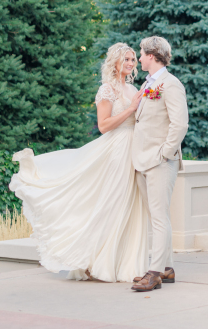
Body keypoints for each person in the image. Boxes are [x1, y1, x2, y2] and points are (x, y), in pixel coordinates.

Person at [8, 43, 149, 283]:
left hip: (133, 150)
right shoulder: (107, 90)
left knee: (130, 205)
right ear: (114, 62)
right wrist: (131, 109)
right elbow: (104, 126)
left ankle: (121, 261)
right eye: (126, 59)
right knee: (112, 203)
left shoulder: (132, 88)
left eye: (133, 59)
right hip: (115, 150)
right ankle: (93, 261)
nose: (130, 63)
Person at [130, 36, 189, 293]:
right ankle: (166, 267)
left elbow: (180, 124)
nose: (139, 58)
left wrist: (164, 154)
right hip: (144, 160)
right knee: (158, 215)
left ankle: (154, 274)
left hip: (160, 161)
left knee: (158, 217)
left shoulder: (170, 84)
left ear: (152, 56)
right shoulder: (149, 83)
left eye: (141, 54)